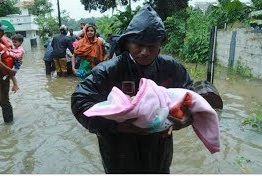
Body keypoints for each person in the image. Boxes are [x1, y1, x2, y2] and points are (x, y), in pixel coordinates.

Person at [71, 5, 194, 173]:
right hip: (118, 149)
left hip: (159, 147)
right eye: (139, 45)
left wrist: (182, 119)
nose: (144, 52)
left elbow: (192, 95)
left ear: (160, 44)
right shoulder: (107, 70)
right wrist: (117, 126)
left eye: (152, 46)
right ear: (128, 43)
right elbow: (80, 101)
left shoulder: (171, 67)